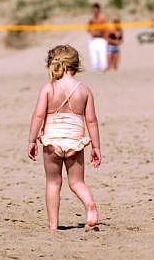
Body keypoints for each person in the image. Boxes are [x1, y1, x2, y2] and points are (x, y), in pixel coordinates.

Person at [27, 45, 101, 231]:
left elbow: (38, 116)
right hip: (75, 141)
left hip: (52, 141)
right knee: (77, 182)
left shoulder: (49, 88)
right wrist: (96, 147)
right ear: (75, 66)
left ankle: (53, 224)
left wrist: (31, 140)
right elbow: (91, 121)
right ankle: (90, 205)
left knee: (53, 182)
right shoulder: (84, 90)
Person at [87, 3, 108, 71]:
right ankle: (96, 74)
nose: (95, 11)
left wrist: (104, 36)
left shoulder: (103, 18)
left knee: (103, 59)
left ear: (99, 9)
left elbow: (107, 29)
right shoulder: (91, 20)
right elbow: (88, 29)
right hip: (93, 39)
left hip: (101, 39)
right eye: (93, 9)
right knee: (94, 59)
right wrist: (93, 31)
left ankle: (104, 74)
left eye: (96, 9)